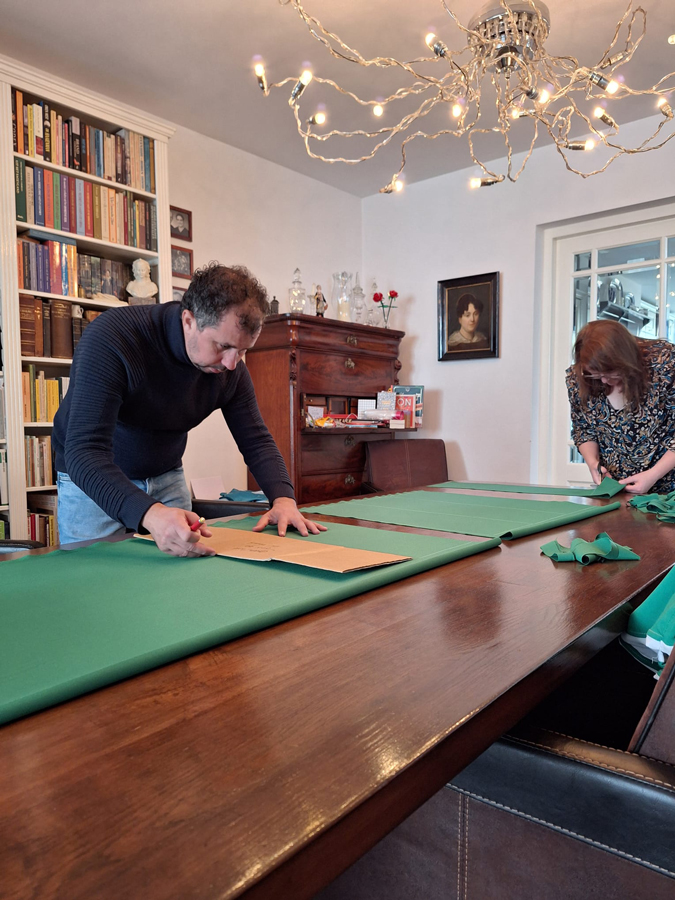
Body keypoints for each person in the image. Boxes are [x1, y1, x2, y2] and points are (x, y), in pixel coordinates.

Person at [53, 263, 326, 557]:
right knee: (95, 586)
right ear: (188, 321)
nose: (232, 364)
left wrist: (283, 498)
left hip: (166, 475)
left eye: (244, 351)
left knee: (176, 587)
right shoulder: (111, 339)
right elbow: (84, 453)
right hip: (93, 482)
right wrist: (151, 513)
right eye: (223, 346)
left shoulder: (230, 369)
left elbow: (256, 440)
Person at [566, 319, 675, 494]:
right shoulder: (579, 376)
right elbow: (583, 429)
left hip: (669, 489)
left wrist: (653, 474)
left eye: (609, 372)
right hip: (616, 490)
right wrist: (594, 464)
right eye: (596, 375)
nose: (603, 380)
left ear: (625, 360)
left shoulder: (665, 363)